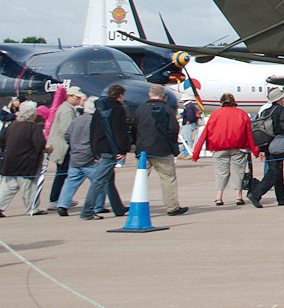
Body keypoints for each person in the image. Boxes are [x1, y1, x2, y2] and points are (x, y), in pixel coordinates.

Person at [192, 93, 258, 206]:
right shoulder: (241, 113)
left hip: (219, 147)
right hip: (238, 147)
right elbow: (249, 133)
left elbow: (205, 133)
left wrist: (196, 154)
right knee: (238, 172)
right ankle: (238, 197)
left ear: (221, 102)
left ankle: (219, 197)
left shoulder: (215, 114)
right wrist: (255, 150)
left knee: (221, 173)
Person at [131, 84, 188, 216]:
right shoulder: (166, 109)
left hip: (143, 149)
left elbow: (134, 128)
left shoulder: (141, 109)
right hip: (162, 149)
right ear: (164, 96)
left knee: (141, 178)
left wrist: (137, 143)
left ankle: (137, 205)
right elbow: (173, 129)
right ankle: (172, 207)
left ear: (149, 95)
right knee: (168, 178)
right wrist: (171, 143)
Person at [248, 87, 284, 208]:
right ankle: (256, 194)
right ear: (279, 99)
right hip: (278, 143)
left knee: (277, 170)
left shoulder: (265, 111)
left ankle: (281, 198)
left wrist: (262, 149)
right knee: (274, 172)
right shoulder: (282, 110)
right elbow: (283, 125)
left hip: (267, 144)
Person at [83, 85, 130, 220]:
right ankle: (87, 210)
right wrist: (123, 149)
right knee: (99, 181)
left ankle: (118, 207)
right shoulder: (117, 109)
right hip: (109, 149)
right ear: (120, 95)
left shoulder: (100, 107)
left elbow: (93, 130)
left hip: (99, 146)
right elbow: (119, 131)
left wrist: (94, 150)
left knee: (109, 180)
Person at [0, 101, 52, 217]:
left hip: (10, 161)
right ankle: (32, 208)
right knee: (28, 187)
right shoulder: (34, 127)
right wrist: (47, 150)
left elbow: (2, 141)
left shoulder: (12, 125)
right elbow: (39, 145)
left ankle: (0, 206)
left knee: (8, 187)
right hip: (26, 162)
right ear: (32, 114)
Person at [55, 96, 99, 215]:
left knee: (70, 182)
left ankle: (62, 204)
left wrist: (74, 145)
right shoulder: (94, 122)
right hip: (89, 157)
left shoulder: (76, 120)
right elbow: (96, 139)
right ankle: (98, 205)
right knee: (98, 182)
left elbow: (67, 136)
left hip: (75, 155)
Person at [45, 86, 85, 208]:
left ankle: (62, 198)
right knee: (62, 173)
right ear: (69, 97)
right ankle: (56, 199)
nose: (78, 100)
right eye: (76, 97)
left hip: (61, 146)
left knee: (64, 173)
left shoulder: (67, 108)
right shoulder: (67, 110)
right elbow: (67, 131)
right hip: (63, 147)